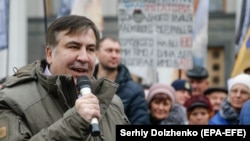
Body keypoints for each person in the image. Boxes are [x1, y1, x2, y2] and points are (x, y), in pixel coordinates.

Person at [0, 15, 130, 141]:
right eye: (74, 47)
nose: (84, 57)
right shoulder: (12, 101)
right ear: (50, 54)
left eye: (90, 49)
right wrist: (74, 123)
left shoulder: (112, 102)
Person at [93, 37, 149, 124]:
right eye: (109, 50)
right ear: (97, 53)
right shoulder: (86, 84)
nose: (114, 55)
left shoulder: (135, 91)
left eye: (117, 51)